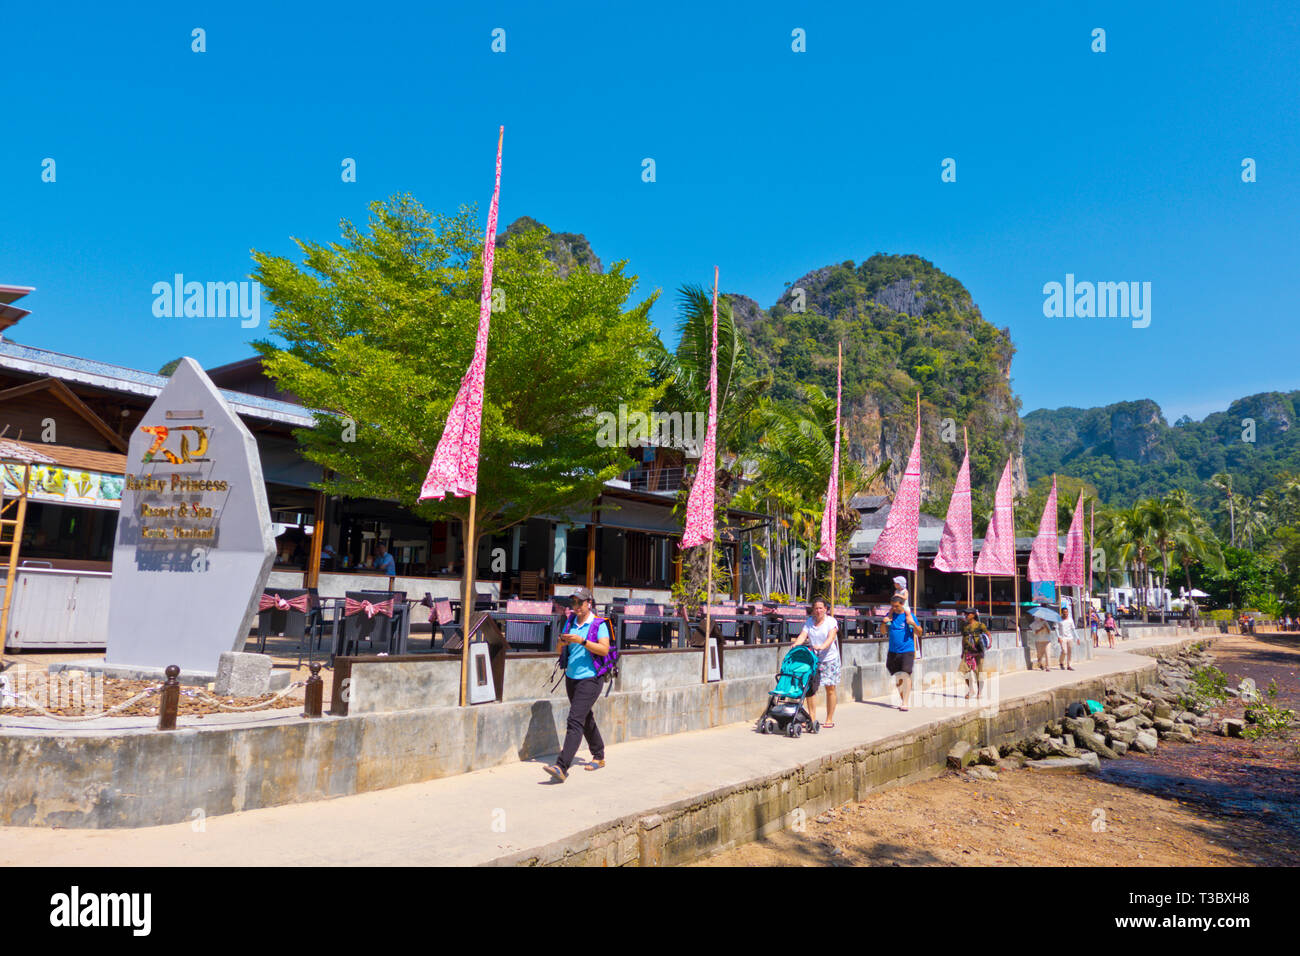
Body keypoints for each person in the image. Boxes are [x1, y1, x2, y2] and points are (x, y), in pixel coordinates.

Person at [543, 588, 611, 783]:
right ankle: (599, 755)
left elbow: (604, 650)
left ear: (589, 603)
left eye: (580, 603)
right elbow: (559, 649)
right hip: (571, 677)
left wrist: (581, 640)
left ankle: (561, 766)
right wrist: (562, 643)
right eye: (573, 603)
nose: (576, 607)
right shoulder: (570, 621)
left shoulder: (599, 624)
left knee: (575, 720)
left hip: (591, 678)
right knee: (585, 717)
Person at [792, 597, 840, 728]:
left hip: (829, 658)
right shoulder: (809, 622)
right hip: (814, 658)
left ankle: (829, 718)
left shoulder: (831, 621)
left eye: (821, 608)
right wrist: (796, 644)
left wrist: (822, 646)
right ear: (813, 610)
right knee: (810, 689)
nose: (818, 610)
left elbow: (831, 637)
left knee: (830, 688)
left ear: (825, 609)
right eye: (816, 608)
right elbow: (803, 635)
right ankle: (811, 718)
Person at [884, 596, 921, 711]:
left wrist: (913, 624)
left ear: (902, 604)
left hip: (907, 650)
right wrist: (884, 622)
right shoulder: (890, 616)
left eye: (897, 606)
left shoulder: (909, 616)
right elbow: (882, 631)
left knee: (906, 674)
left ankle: (905, 702)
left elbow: (920, 632)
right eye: (893, 606)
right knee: (898, 678)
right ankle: (903, 699)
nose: (894, 608)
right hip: (893, 651)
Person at [959, 608, 989, 699]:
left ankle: (979, 692)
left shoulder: (980, 625)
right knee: (963, 671)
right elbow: (963, 639)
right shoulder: (964, 626)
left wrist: (988, 644)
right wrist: (962, 651)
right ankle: (971, 689)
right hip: (968, 652)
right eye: (966, 614)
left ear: (973, 615)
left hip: (978, 653)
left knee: (979, 673)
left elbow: (988, 635)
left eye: (968, 614)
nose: (966, 616)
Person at [1057, 599, 1077, 671]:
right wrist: (1058, 637)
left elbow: (1073, 629)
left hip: (1070, 637)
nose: (1065, 613)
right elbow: (1056, 628)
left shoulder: (1070, 620)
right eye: (1064, 612)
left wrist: (1077, 637)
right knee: (1064, 651)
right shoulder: (1059, 619)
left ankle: (1069, 665)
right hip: (1062, 637)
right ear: (1062, 613)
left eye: (1066, 612)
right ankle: (1061, 662)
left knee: (1070, 651)